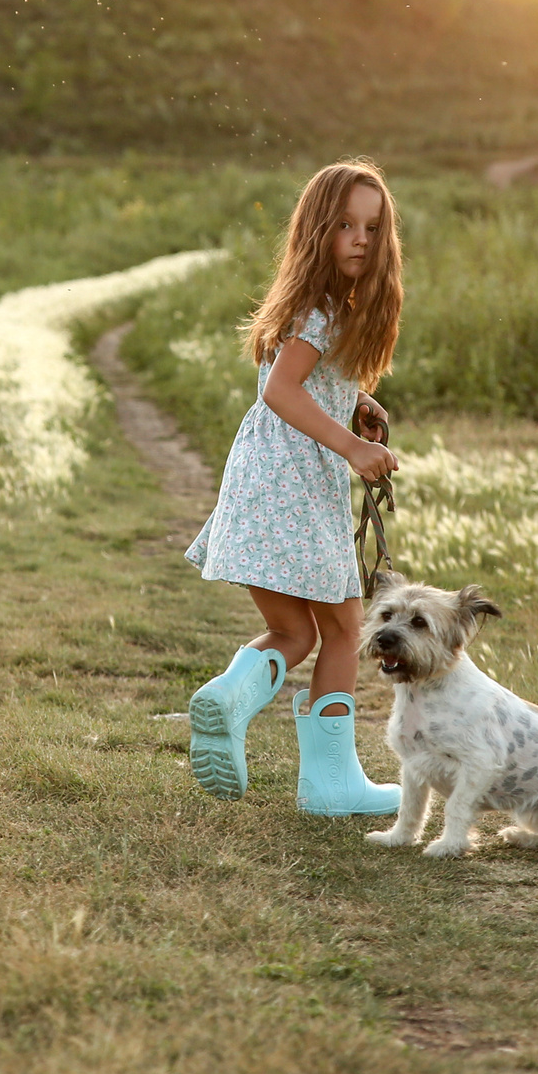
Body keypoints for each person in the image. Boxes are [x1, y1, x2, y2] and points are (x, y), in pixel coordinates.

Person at [183, 159, 405, 816]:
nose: (360, 239)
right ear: (317, 230)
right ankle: (331, 785)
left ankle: (229, 696)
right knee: (344, 627)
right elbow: (282, 390)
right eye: (344, 225)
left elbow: (301, 381)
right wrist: (353, 447)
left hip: (261, 478)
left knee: (292, 632)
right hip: (297, 484)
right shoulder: (325, 310)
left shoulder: (314, 303)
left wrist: (352, 401)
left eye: (372, 227)